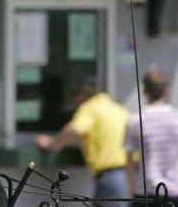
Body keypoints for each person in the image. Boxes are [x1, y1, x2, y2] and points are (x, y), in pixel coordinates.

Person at [35, 78, 129, 206]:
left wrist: (51, 143)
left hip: (107, 177)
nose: (75, 101)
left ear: (83, 94)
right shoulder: (119, 110)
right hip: (123, 177)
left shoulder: (90, 108)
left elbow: (75, 129)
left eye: (76, 96)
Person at [124, 69, 178, 207]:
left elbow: (129, 164)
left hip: (144, 193)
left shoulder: (134, 121)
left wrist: (132, 193)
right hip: (176, 193)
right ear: (167, 90)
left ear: (145, 92)